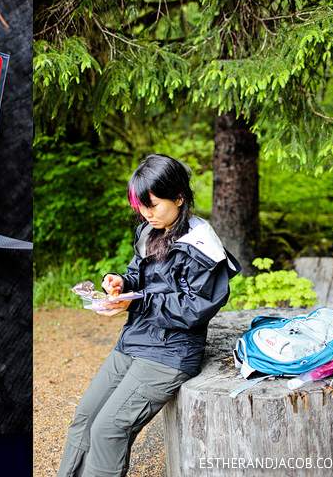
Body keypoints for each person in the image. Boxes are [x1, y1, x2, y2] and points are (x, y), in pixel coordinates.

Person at [57, 154, 241, 477]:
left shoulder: (202, 246)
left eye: (152, 205)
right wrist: (121, 283)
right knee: (85, 418)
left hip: (170, 353)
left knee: (108, 430)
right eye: (140, 206)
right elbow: (138, 278)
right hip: (135, 341)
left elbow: (194, 309)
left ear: (179, 197)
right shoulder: (150, 232)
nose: (145, 213)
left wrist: (137, 304)